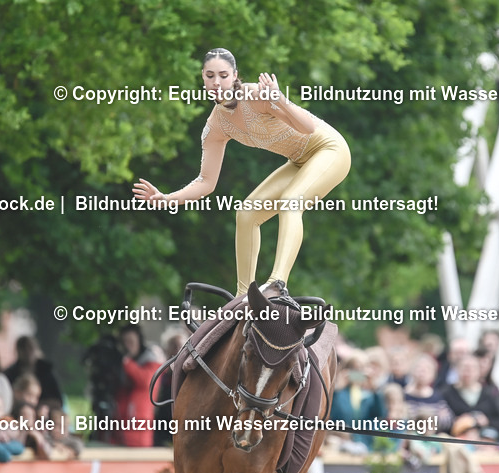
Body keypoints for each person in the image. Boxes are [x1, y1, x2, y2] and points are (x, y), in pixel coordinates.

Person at [133, 48, 351, 295]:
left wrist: (279, 99)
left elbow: (308, 128)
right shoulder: (216, 125)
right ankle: (243, 296)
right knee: (246, 213)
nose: (217, 82)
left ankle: (277, 283)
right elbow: (206, 181)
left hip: (329, 150)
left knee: (291, 201)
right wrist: (167, 199)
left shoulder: (256, 96)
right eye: (210, 75)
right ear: (203, 78)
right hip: (299, 160)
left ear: (234, 75)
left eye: (223, 75)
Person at [115, 325, 160, 446]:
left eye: (131, 341)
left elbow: (146, 381)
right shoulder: (124, 365)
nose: (127, 346)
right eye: (124, 342)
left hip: (139, 426)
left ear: (139, 340)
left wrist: (127, 362)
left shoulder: (150, 361)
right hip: (122, 425)